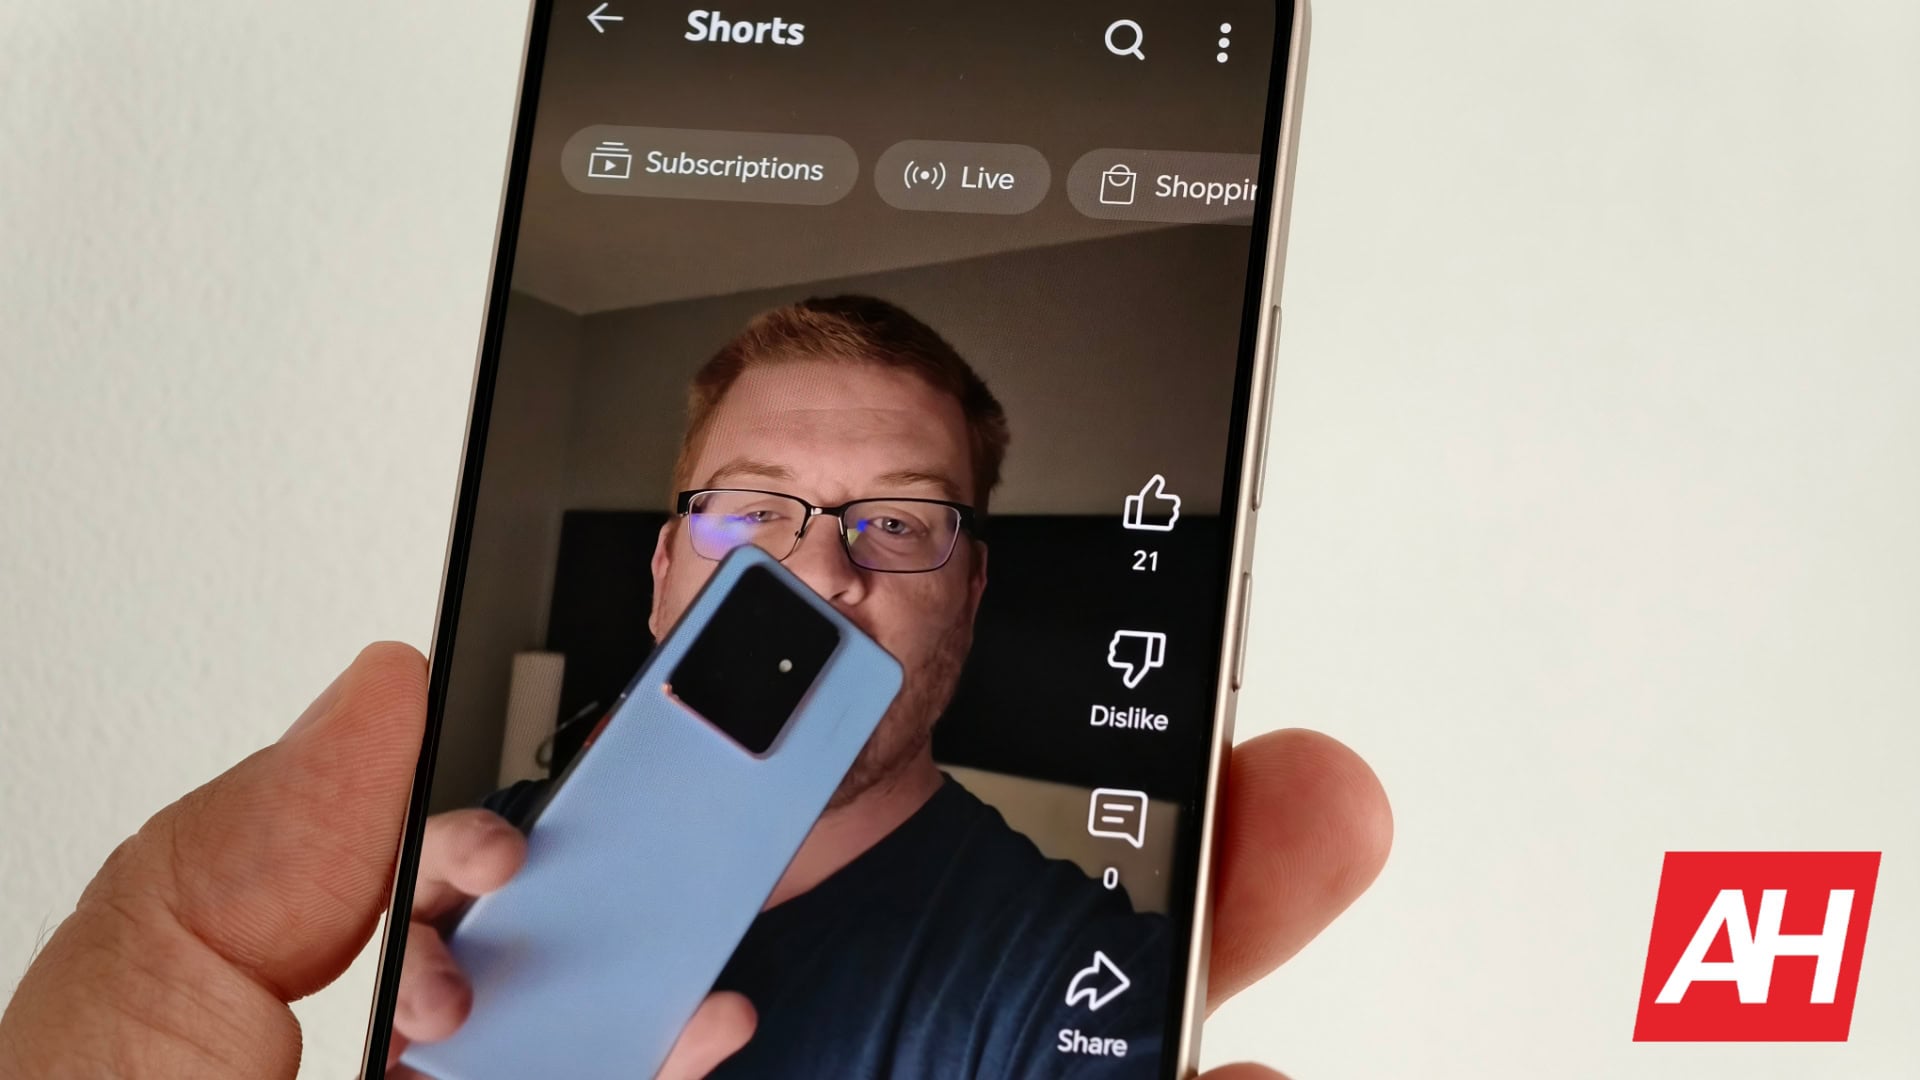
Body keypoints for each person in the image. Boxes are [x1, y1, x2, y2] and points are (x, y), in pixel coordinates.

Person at [0, 299, 1392, 1080]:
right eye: (749, 515)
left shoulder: (1061, 977)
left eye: (899, 522)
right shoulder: (466, 882)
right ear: (666, 571)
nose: (820, 575)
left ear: (968, 592)